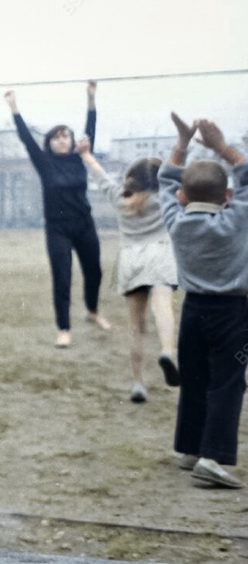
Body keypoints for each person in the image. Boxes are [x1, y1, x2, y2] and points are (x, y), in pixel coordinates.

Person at [159, 113, 248, 489]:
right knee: (227, 383)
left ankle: (190, 448)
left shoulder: (177, 222)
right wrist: (221, 147)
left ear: (182, 196)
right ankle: (213, 457)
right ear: (226, 196)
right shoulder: (238, 218)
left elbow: (164, 181)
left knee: (194, 379)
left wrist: (182, 144)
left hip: (193, 309)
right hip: (233, 311)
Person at [4, 81, 110, 348]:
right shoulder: (44, 162)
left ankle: (93, 311)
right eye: (56, 137)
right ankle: (63, 329)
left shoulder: (79, 158)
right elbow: (25, 137)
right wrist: (14, 107)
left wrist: (91, 98)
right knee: (62, 276)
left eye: (66, 136)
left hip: (84, 224)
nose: (62, 140)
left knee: (94, 272)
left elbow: (90, 129)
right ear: (49, 143)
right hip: (58, 228)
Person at [77, 136, 179, 404]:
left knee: (137, 326)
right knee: (163, 307)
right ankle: (168, 351)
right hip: (159, 257)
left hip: (130, 262)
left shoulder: (119, 199)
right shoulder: (163, 199)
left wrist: (87, 155)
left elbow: (100, 177)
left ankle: (138, 384)